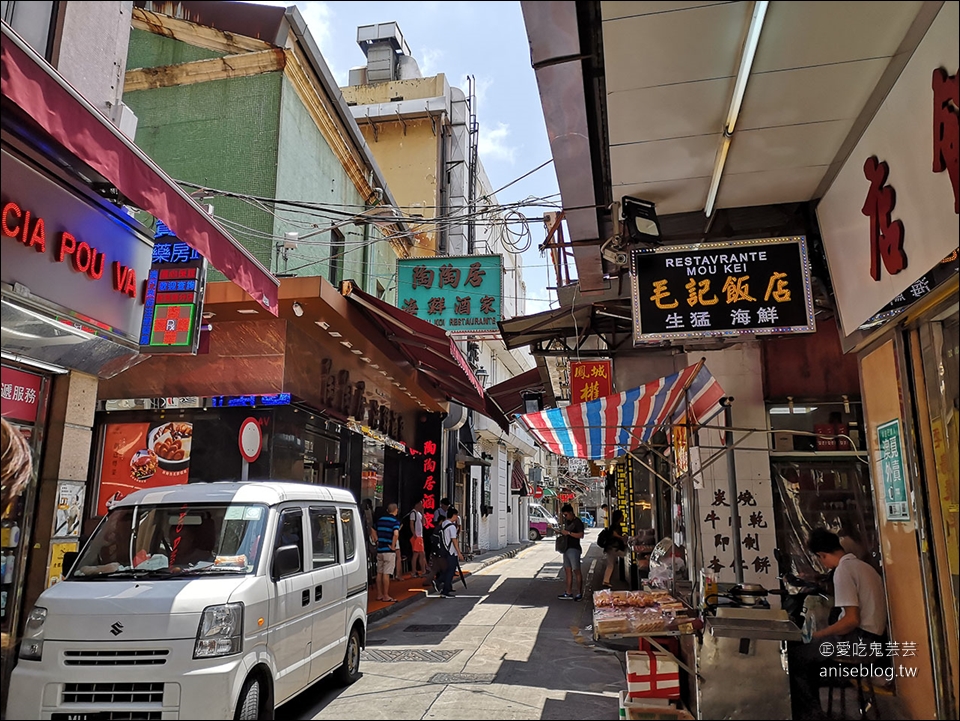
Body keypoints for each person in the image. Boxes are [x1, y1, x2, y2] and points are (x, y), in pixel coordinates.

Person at [791, 527, 888, 720]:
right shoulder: (864, 567)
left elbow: (851, 620)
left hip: (861, 643)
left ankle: (811, 716)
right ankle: (816, 712)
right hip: (876, 641)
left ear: (821, 555)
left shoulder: (843, 571)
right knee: (810, 657)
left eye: (819, 559)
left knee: (797, 656)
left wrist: (820, 634)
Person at [557, 503, 585, 601]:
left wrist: (568, 533)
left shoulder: (577, 522)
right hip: (566, 548)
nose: (565, 517)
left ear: (571, 513)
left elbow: (581, 535)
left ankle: (579, 593)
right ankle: (568, 592)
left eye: (566, 515)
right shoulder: (567, 522)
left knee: (576, 570)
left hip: (574, 549)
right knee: (567, 571)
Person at [421, 497, 451, 587]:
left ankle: (433, 581)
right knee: (443, 567)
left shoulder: (447, 513)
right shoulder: (437, 514)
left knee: (436, 567)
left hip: (438, 549)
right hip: (438, 549)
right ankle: (439, 582)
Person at [375, 503, 401, 603]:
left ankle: (379, 594)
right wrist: (393, 546)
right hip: (388, 551)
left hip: (380, 549)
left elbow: (373, 529)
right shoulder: (395, 521)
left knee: (379, 573)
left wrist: (377, 541)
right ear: (395, 510)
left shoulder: (380, 520)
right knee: (386, 573)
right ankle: (386, 595)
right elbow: (396, 534)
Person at [437, 506, 463, 598]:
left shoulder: (444, 523)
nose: (457, 518)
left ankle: (439, 582)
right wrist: (459, 553)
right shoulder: (451, 526)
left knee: (446, 570)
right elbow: (454, 540)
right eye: (457, 515)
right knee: (450, 572)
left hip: (444, 551)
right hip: (451, 552)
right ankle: (445, 591)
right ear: (454, 515)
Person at [601, 508, 627, 589]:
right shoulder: (615, 526)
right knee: (626, 555)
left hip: (610, 547)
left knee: (610, 565)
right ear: (619, 517)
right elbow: (614, 534)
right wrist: (622, 538)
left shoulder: (614, 525)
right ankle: (605, 581)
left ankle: (606, 581)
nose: (623, 517)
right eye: (622, 516)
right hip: (613, 548)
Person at [408, 500, 427, 577]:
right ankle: (415, 571)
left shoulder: (419, 513)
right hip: (417, 536)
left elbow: (424, 523)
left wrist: (423, 513)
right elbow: (411, 524)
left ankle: (422, 570)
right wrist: (414, 533)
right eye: (420, 504)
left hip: (420, 536)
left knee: (421, 554)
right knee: (417, 554)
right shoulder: (413, 513)